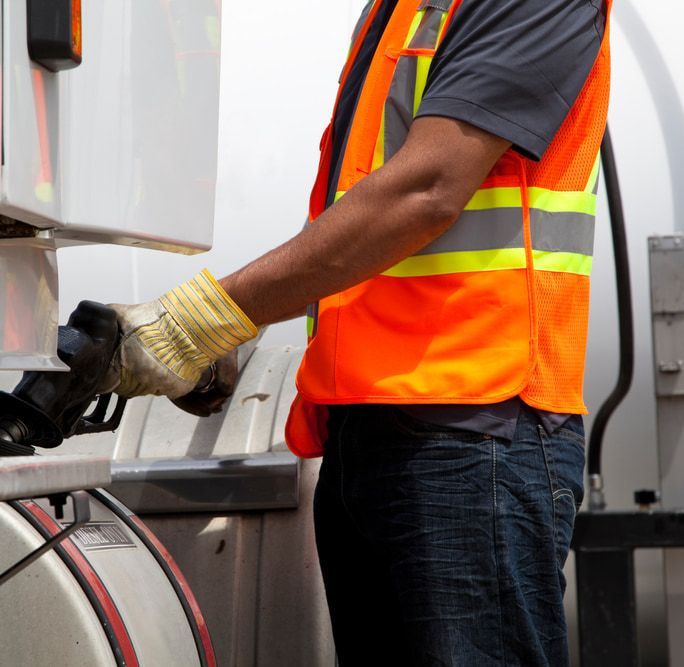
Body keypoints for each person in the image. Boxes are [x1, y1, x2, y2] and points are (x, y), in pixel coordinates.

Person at [107, 0, 610, 664]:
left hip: (474, 430)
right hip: (374, 433)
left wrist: (210, 318)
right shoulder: (398, 9)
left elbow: (427, 187)